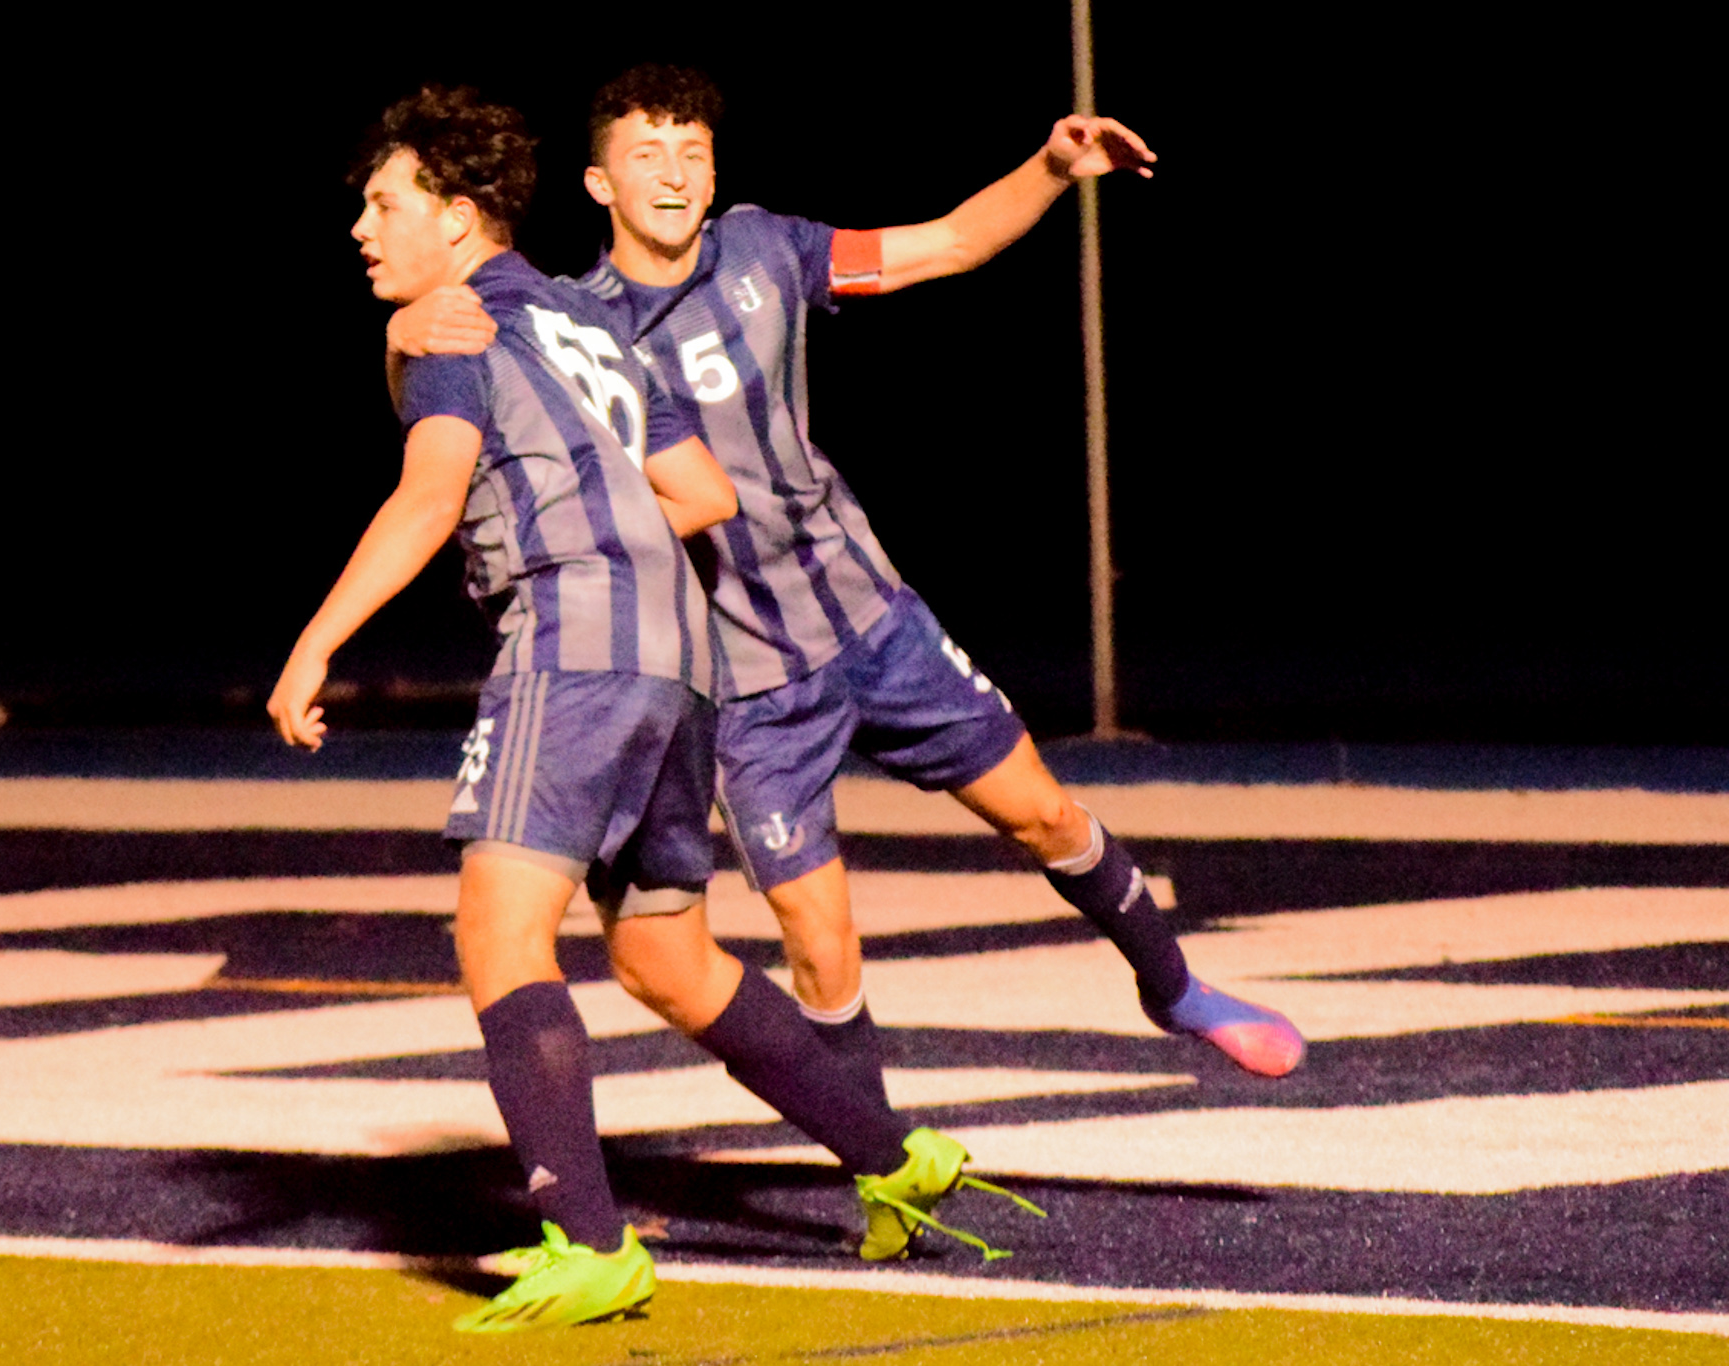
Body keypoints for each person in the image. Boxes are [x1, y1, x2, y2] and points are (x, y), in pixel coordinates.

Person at [387, 67, 1306, 1107]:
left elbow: (948, 242)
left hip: (872, 620)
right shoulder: (577, 322)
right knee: (819, 943)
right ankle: (881, 1174)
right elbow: (477, 324)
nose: (673, 174)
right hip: (745, 685)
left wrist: (1051, 169)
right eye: (646, 155)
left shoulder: (765, 250)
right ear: (599, 185)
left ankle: (1174, 986)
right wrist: (406, 327)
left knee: (1044, 813)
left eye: (691, 151)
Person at [270, 87, 1023, 1335]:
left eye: (384, 203)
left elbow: (426, 492)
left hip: (576, 648)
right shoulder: (582, 321)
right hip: (682, 656)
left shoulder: (448, 324)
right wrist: (593, 520)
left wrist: (314, 646)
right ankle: (894, 1155)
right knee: (664, 957)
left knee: (498, 937)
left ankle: (592, 1241)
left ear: (456, 220)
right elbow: (701, 492)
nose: (361, 224)